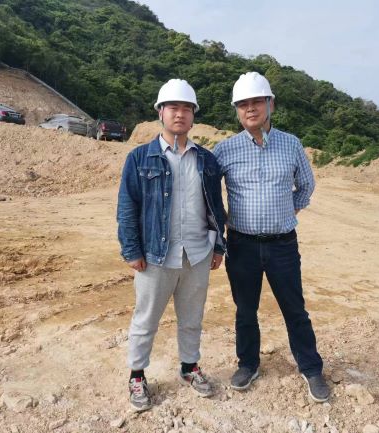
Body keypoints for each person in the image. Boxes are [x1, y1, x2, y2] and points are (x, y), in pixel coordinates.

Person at [212, 72, 329, 403]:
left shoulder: (291, 144)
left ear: (270, 104)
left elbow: (306, 185)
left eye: (256, 102)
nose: (250, 109)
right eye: (243, 104)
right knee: (245, 310)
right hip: (242, 245)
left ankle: (311, 368)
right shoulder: (225, 149)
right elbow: (209, 192)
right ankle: (248, 364)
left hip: (282, 245)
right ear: (237, 110)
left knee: (295, 309)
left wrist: (287, 210)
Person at [117, 79, 226, 411]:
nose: (180, 114)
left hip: (197, 254)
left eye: (187, 109)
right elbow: (127, 207)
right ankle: (137, 375)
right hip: (155, 255)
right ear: (160, 113)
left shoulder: (206, 160)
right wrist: (132, 250)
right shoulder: (140, 158)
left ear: (193, 116)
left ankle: (189, 367)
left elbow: (216, 206)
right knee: (146, 318)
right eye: (173, 108)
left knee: (192, 317)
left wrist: (219, 246)